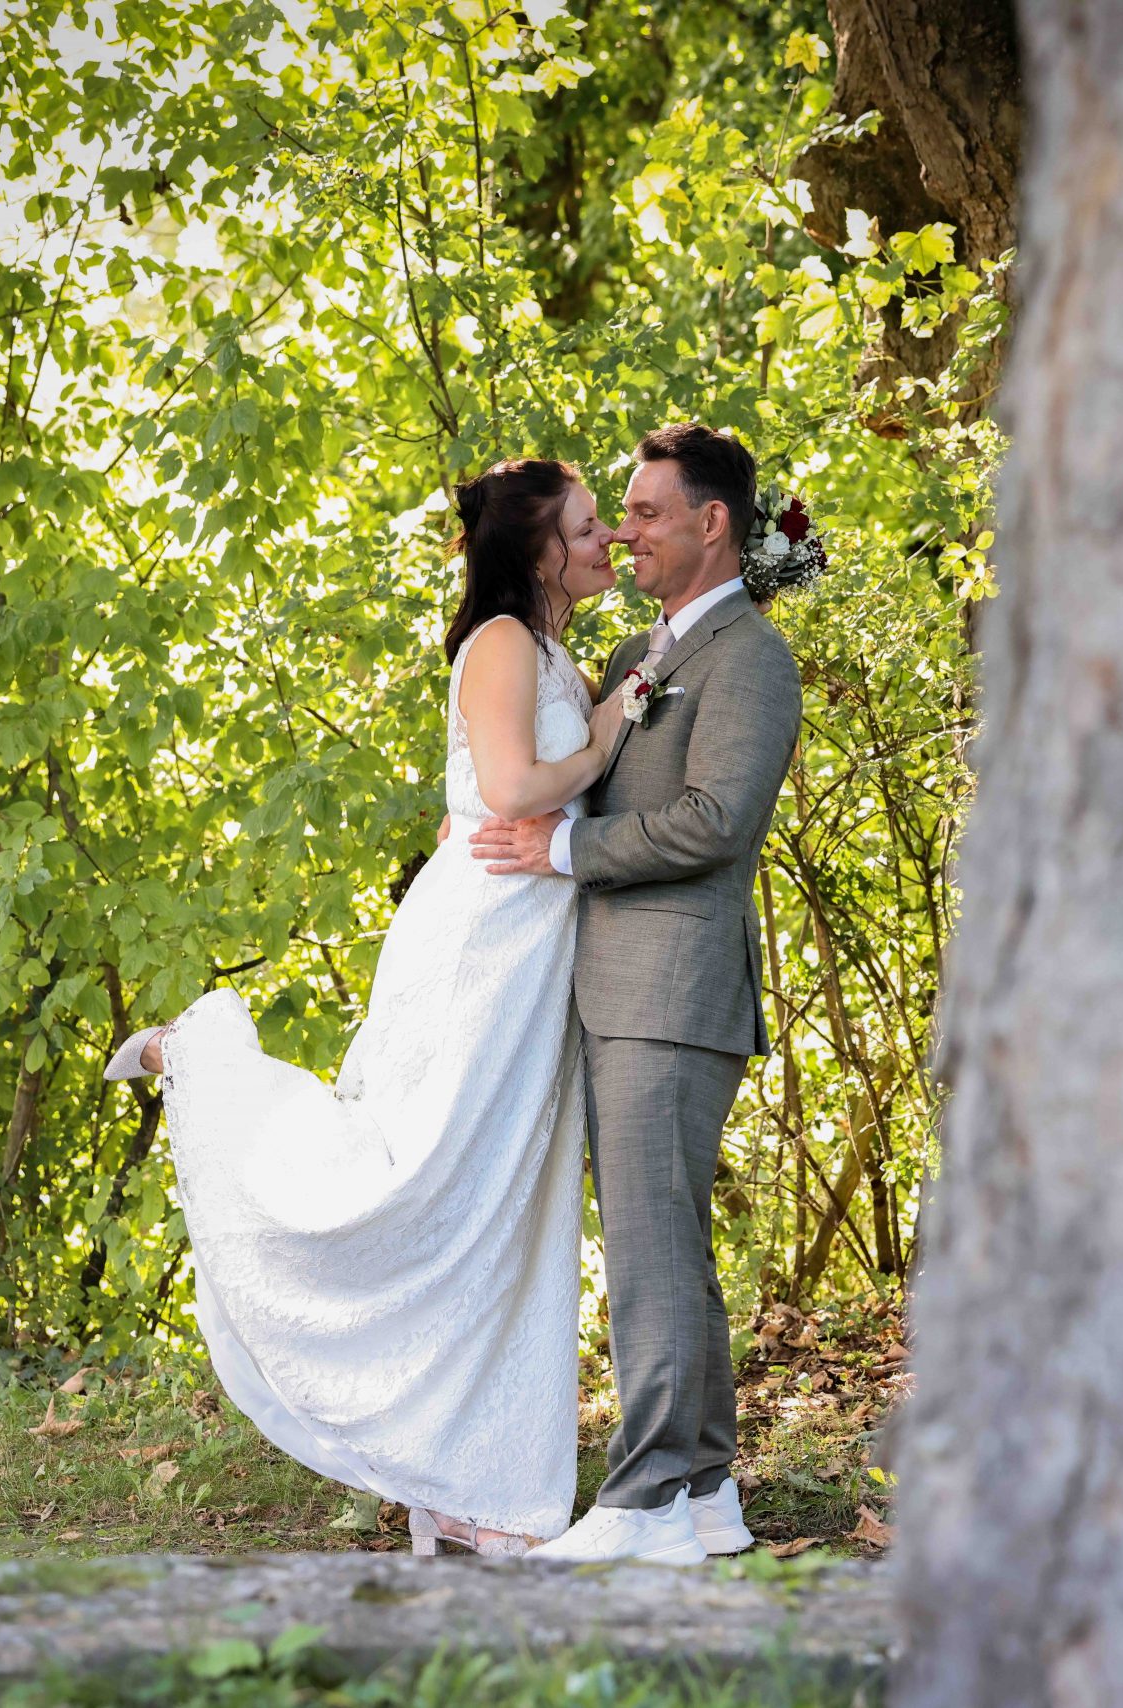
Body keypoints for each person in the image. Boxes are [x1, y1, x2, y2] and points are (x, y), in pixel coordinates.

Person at [105, 457, 626, 1556]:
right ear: (536, 548)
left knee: (499, 1205)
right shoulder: (498, 643)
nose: (606, 541)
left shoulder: (555, 652)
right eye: (587, 526)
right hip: (480, 940)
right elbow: (509, 789)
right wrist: (611, 732)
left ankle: (472, 1479)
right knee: (415, 1178)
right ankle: (200, 1056)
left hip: (534, 946)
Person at [470, 424, 803, 1565]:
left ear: (713, 523)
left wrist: (566, 855)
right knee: (669, 1246)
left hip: (671, 986)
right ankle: (706, 1495)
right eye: (614, 512)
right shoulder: (635, 656)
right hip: (613, 986)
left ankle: (644, 1498)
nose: (624, 530)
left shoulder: (748, 657)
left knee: (654, 1251)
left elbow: (716, 822)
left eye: (648, 511)